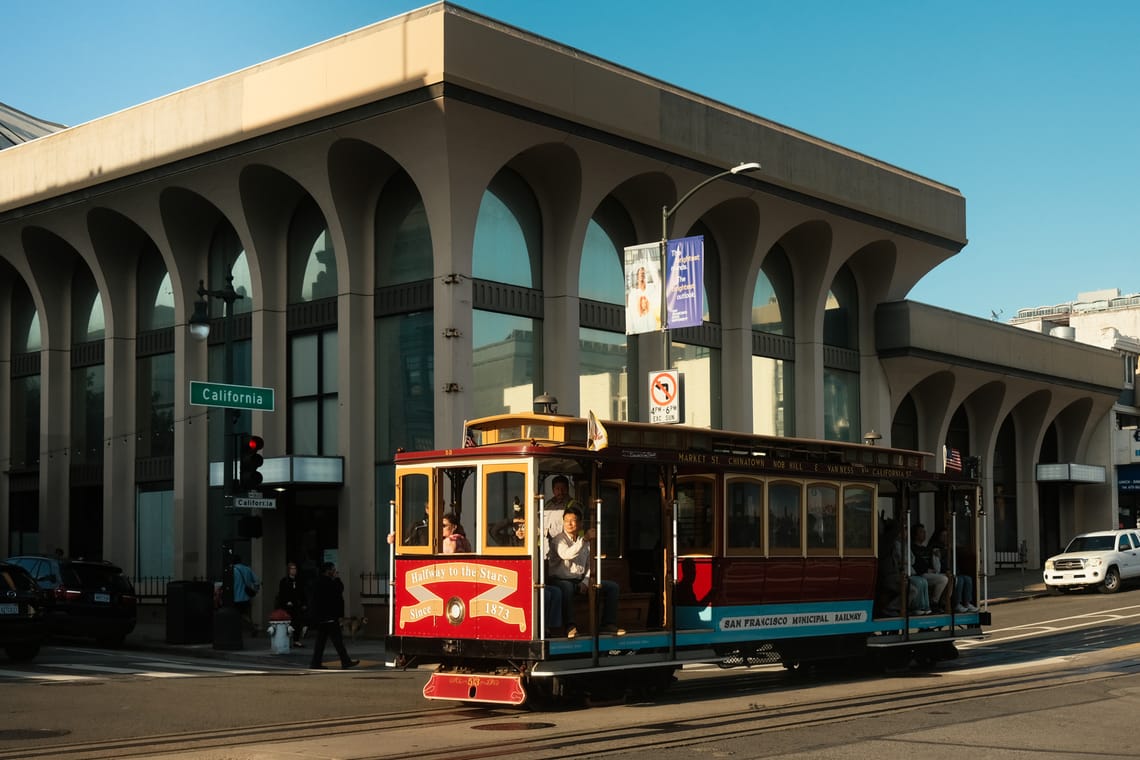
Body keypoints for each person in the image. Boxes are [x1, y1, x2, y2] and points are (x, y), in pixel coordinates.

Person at [548, 506, 624, 638]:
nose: (570, 524)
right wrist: (584, 540)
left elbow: (591, 564)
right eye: (567, 521)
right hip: (560, 580)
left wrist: (586, 581)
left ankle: (607, 624)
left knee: (612, 587)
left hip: (579, 580)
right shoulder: (558, 540)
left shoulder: (585, 542)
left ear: (581, 523)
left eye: (574, 520)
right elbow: (566, 554)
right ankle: (570, 626)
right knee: (566, 588)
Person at [491, 508, 564, 635]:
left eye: (523, 527)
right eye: (516, 527)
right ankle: (542, 627)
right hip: (514, 582)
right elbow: (493, 531)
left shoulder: (533, 544)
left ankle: (553, 627)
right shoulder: (508, 541)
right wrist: (511, 520)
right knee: (545, 595)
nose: (519, 530)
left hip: (532, 581)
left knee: (556, 592)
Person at [308, 562, 359, 670]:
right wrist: (337, 578)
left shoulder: (317, 582)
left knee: (321, 641)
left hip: (322, 617)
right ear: (328, 571)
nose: (335, 571)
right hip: (329, 616)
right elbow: (339, 590)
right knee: (337, 641)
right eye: (333, 569)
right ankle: (345, 661)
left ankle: (315, 662)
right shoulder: (329, 582)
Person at [929, 527, 979, 612]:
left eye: (947, 536)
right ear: (938, 537)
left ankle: (967, 603)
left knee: (968, 579)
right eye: (943, 536)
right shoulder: (936, 549)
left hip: (955, 571)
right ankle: (956, 604)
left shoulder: (950, 547)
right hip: (944, 572)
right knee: (959, 580)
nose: (945, 538)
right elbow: (937, 566)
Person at [911, 523, 949, 611]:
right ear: (915, 535)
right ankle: (934, 602)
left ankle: (941, 603)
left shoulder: (926, 549)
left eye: (924, 532)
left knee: (949, 577)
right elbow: (915, 564)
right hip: (920, 574)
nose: (924, 534)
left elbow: (932, 562)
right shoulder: (912, 548)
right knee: (943, 579)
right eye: (921, 532)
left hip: (930, 573)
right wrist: (927, 570)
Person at [276, 561, 308, 647]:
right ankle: (286, 640)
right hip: (287, 605)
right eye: (292, 569)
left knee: (297, 623)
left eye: (295, 569)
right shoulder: (284, 581)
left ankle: (296, 640)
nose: (294, 571)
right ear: (288, 570)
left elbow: (302, 593)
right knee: (287, 623)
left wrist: (304, 603)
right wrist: (286, 602)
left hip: (297, 605)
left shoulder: (299, 580)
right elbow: (282, 593)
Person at [625, 264, 661, 334]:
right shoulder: (633, 294)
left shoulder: (651, 289)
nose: (642, 276)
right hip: (639, 331)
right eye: (640, 274)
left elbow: (658, 284)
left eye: (644, 274)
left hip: (652, 329)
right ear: (637, 277)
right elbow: (630, 314)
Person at [231, 554, 261, 636]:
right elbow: (257, 581)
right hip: (246, 597)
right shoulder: (247, 569)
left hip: (235, 597)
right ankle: (252, 628)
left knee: (235, 615)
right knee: (246, 615)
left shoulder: (232, 570)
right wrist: (255, 590)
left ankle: (238, 631)